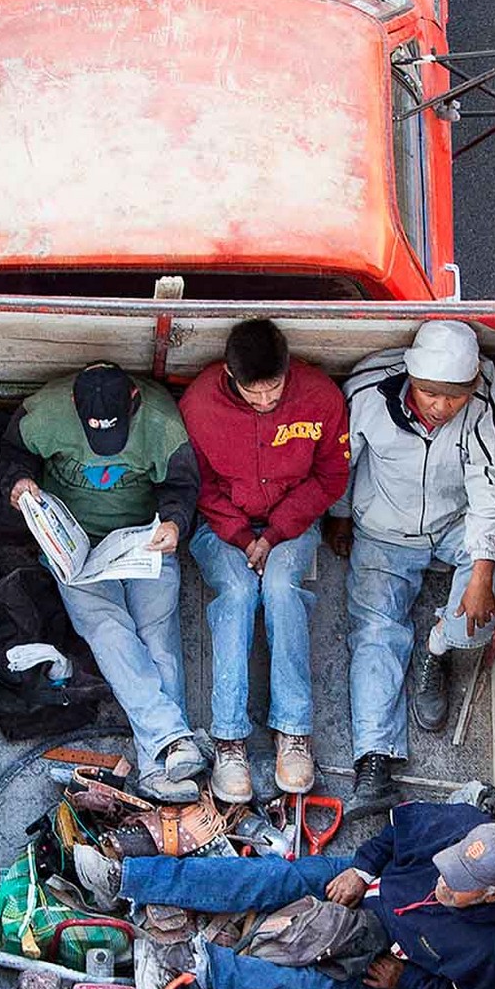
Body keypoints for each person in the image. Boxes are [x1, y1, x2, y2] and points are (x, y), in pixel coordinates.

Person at [77, 800, 495, 989]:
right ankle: (131, 879)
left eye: (458, 885)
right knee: (273, 877)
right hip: (374, 882)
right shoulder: (460, 826)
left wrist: (405, 979)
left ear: (493, 894)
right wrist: (363, 871)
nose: (443, 881)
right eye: (447, 869)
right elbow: (394, 833)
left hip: (392, 953)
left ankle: (205, 970)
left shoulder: (490, 952)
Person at [325, 321, 495, 817]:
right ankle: (374, 761)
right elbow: (342, 461)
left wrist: (480, 572)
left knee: (478, 612)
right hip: (384, 531)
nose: (438, 407)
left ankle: (436, 648)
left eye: (452, 398)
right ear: (412, 377)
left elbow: (491, 492)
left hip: (455, 526)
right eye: (430, 393)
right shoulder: (367, 391)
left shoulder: (487, 405)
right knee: (374, 633)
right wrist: (341, 516)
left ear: (471, 388)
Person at [0, 362, 205, 802]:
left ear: (133, 403)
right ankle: (171, 743)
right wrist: (18, 483)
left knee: (158, 637)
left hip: (144, 539)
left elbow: (183, 488)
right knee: (107, 629)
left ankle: (157, 761)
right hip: (77, 543)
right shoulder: (44, 413)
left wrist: (174, 523)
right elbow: (10, 456)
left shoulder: (162, 424)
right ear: (75, 405)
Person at [180, 318, 350, 802]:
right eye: (253, 393)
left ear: (287, 369)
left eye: (273, 389)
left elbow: (331, 476)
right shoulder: (198, 406)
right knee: (236, 594)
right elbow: (201, 486)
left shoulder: (321, 398)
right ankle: (229, 740)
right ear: (230, 376)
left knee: (279, 590)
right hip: (222, 527)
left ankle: (294, 732)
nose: (265, 402)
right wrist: (239, 533)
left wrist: (275, 533)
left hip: (291, 522)